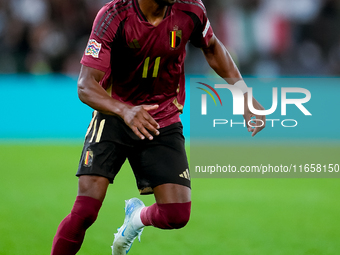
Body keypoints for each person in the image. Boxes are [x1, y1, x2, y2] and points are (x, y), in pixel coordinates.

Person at [51, 0, 266, 254]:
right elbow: (85, 85)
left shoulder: (191, 9)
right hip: (115, 114)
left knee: (176, 214)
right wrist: (125, 111)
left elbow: (212, 46)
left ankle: (135, 220)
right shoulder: (113, 16)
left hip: (161, 118)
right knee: (85, 212)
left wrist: (242, 93)